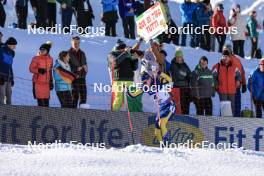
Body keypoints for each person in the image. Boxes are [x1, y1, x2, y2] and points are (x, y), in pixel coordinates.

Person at [108, 39, 141, 112]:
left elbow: (134, 68)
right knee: (118, 98)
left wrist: (135, 59)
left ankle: (134, 114)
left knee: (133, 97)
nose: (123, 49)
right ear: (118, 48)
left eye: (124, 47)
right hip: (118, 80)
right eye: (122, 48)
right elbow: (115, 62)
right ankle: (113, 114)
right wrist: (126, 53)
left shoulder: (127, 55)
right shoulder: (111, 54)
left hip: (129, 79)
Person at [212, 49, 241, 116]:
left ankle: (231, 122)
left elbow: (239, 75)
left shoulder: (234, 66)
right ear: (222, 57)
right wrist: (216, 85)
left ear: (229, 57)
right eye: (224, 56)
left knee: (232, 107)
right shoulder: (218, 66)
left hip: (232, 90)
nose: (225, 58)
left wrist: (238, 81)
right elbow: (213, 77)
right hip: (222, 90)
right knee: (224, 107)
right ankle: (223, 122)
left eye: (227, 56)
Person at [223, 44, 247, 117]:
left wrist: (244, 84)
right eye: (224, 50)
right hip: (226, 89)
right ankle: (225, 122)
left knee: (236, 107)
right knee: (226, 108)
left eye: (227, 50)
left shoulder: (237, 60)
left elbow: (242, 72)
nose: (225, 51)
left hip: (236, 88)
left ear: (230, 50)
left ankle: (236, 122)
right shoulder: (222, 61)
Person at [170, 48, 192, 115]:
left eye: (181, 57)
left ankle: (186, 118)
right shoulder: (173, 65)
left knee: (186, 105)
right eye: (178, 57)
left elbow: (189, 74)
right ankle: (179, 119)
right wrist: (186, 77)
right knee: (179, 106)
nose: (179, 58)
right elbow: (178, 75)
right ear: (176, 57)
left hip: (186, 88)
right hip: (178, 88)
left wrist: (190, 78)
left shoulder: (185, 65)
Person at [68, 36, 88, 108]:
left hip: (82, 78)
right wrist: (76, 69)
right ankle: (73, 114)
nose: (76, 45)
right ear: (71, 43)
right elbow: (65, 67)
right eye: (75, 43)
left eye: (78, 43)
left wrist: (86, 69)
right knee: (74, 97)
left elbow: (84, 63)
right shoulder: (68, 53)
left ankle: (82, 114)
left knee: (84, 97)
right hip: (73, 78)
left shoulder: (82, 53)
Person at [0, 37, 17, 105]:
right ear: (9, 44)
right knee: (2, 94)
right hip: (2, 78)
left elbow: (10, 67)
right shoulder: (1, 50)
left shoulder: (10, 53)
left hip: (8, 78)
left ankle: (9, 112)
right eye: (14, 45)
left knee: (9, 94)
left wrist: (12, 78)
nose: (15, 47)